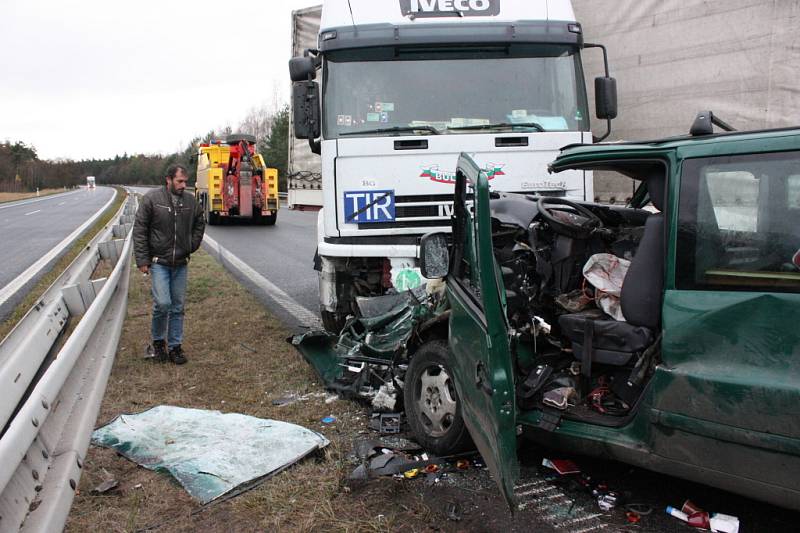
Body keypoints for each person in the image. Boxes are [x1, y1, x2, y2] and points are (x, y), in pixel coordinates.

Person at [133, 164, 205, 364]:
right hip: (159, 262)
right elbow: (140, 229)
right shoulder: (152, 199)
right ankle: (158, 342)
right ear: (169, 180)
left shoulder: (191, 201)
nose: (184, 185)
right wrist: (142, 260)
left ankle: (175, 347)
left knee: (178, 306)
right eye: (180, 181)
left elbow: (200, 221)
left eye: (185, 181)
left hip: (181, 262)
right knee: (163, 304)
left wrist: (191, 244)